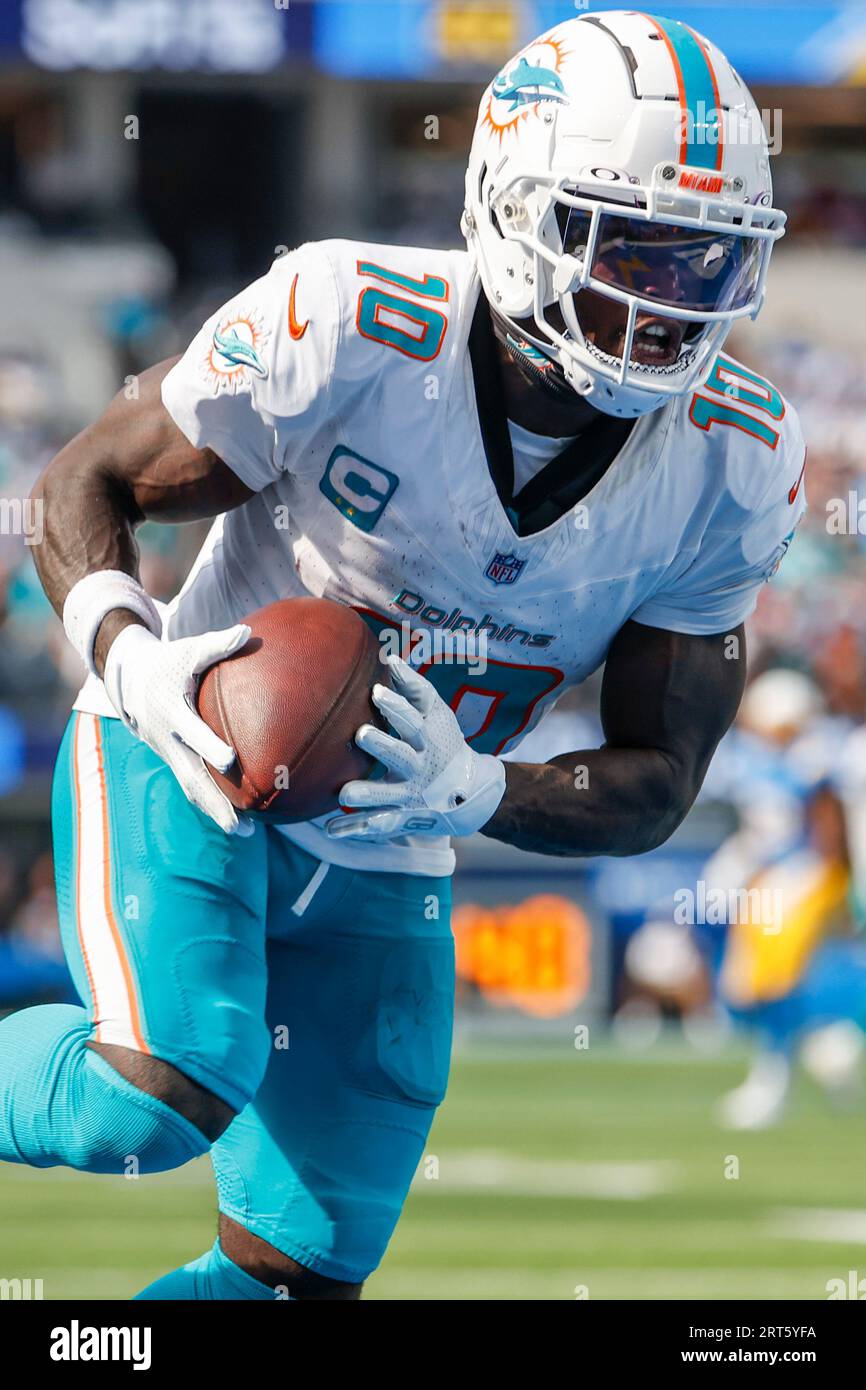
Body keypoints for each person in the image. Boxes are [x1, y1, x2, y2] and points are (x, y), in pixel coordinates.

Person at [1, 11, 806, 1299]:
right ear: (514, 212)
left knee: (296, 1279)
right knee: (151, 1096)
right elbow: (86, 476)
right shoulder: (350, 318)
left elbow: (660, 779)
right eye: (636, 249)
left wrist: (482, 794)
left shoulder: (736, 458)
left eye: (709, 264)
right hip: (199, 734)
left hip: (399, 821)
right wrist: (129, 652)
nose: (670, 305)